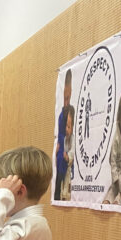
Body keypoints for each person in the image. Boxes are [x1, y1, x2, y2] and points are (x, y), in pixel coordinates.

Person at [54, 69, 74, 201]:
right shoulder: (62, 115)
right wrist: (58, 147)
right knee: (58, 183)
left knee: (65, 183)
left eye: (68, 98)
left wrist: (68, 157)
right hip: (60, 154)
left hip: (66, 159)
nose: (66, 102)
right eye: (65, 98)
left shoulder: (70, 113)